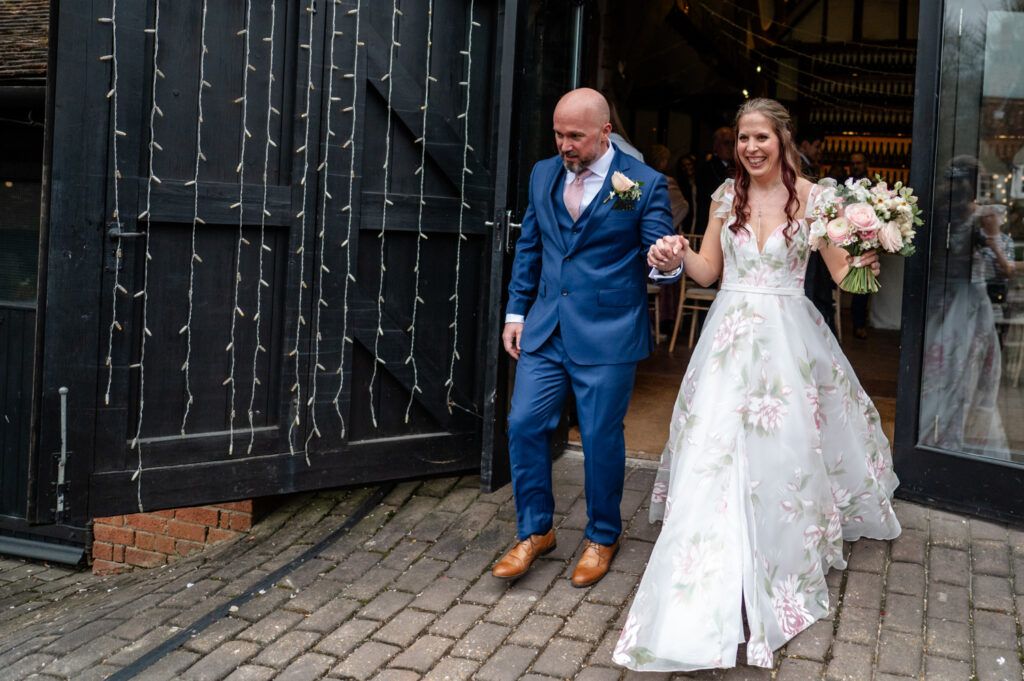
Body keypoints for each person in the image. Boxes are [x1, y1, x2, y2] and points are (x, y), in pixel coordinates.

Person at [614, 98, 901, 672]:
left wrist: (874, 239)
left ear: (782, 139)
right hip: (729, 336)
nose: (750, 148)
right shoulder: (727, 195)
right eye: (743, 138)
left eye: (760, 138)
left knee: (788, 449)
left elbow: (847, 277)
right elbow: (708, 273)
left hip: (789, 337)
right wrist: (675, 252)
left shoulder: (816, 198)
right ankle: (710, 560)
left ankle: (778, 550)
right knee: (714, 447)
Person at [493, 88, 680, 588]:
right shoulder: (542, 174)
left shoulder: (642, 183)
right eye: (558, 134)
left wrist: (667, 263)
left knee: (599, 438)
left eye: (575, 135)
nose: (564, 145)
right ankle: (535, 532)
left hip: (608, 332)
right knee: (523, 424)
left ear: (605, 132)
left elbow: (659, 252)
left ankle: (603, 535)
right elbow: (531, 245)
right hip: (546, 326)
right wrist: (516, 311)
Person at [797, 127, 836, 333]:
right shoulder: (801, 166)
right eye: (817, 146)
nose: (820, 151)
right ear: (804, 144)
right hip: (806, 243)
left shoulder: (809, 166)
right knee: (809, 288)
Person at [694, 126, 735, 236]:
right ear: (716, 146)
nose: (731, 147)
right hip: (710, 223)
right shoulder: (706, 168)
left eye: (733, 143)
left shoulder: (738, 167)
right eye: (726, 143)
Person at [847, 152, 871, 339]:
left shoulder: (873, 188)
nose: (856, 166)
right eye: (853, 163)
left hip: (866, 240)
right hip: (845, 239)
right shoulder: (844, 186)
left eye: (859, 163)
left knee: (862, 282)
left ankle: (859, 324)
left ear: (866, 164)